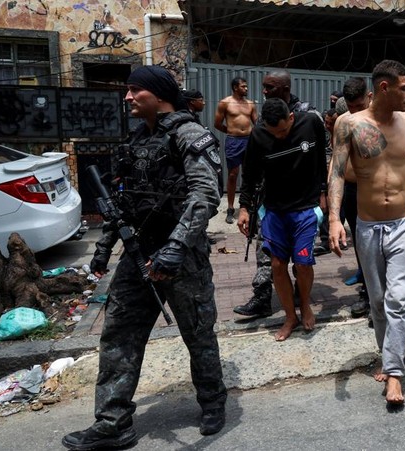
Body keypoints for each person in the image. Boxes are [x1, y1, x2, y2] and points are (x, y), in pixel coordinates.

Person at [62, 66, 227, 450]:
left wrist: (175, 247)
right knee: (118, 334)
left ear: (158, 94)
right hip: (138, 254)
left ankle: (213, 402)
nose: (127, 97)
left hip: (182, 257)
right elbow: (123, 202)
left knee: (198, 333)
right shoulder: (140, 139)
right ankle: (112, 421)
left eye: (135, 90)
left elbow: (204, 195)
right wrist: (104, 249)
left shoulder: (190, 135)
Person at [328, 59, 405, 405]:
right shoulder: (349, 124)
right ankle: (387, 353)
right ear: (384, 88)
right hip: (368, 225)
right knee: (378, 302)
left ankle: (394, 374)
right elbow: (336, 171)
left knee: (398, 299)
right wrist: (334, 219)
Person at [233, 70, 324, 319]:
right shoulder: (263, 124)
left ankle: (301, 298)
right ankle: (262, 297)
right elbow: (250, 171)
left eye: (269, 87)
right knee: (270, 258)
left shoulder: (308, 116)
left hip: (304, 203)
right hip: (270, 202)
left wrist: (323, 194)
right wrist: (246, 206)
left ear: (284, 89)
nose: (264, 91)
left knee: (303, 260)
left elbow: (322, 157)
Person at [331, 77, 374, 319]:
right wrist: (332, 214)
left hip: (372, 190)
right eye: (351, 107)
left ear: (369, 97)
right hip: (349, 190)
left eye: (359, 107)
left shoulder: (382, 120)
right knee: (360, 242)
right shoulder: (343, 122)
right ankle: (367, 290)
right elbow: (336, 163)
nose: (355, 112)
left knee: (378, 245)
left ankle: (378, 297)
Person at [214, 77, 257, 224]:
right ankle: (231, 208)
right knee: (233, 174)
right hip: (233, 141)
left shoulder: (250, 104)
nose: (246, 88)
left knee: (249, 174)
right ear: (235, 87)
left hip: (249, 141)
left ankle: (247, 206)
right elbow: (217, 123)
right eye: (243, 86)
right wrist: (232, 132)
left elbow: (256, 122)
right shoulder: (225, 103)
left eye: (246, 86)